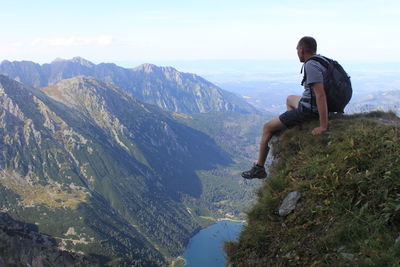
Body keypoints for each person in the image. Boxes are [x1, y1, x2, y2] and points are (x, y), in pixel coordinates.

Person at [242, 36, 329, 179]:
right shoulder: (322, 60)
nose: (297, 54)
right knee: (289, 98)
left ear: (301, 50)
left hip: (309, 109)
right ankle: (292, 128)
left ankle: (259, 168)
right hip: (311, 102)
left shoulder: (310, 65)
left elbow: (320, 95)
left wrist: (323, 126)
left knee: (267, 127)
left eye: (297, 51)